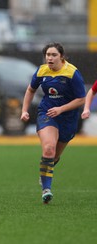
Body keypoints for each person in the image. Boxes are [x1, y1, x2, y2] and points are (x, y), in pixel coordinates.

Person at [20, 42, 86, 204]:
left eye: (53, 55)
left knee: (54, 156)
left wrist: (62, 109)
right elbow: (30, 90)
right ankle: (46, 190)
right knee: (48, 148)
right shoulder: (42, 70)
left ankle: (45, 173)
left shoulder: (71, 73)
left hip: (68, 117)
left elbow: (81, 99)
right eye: (48, 55)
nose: (50, 58)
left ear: (61, 57)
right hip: (47, 113)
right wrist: (24, 110)